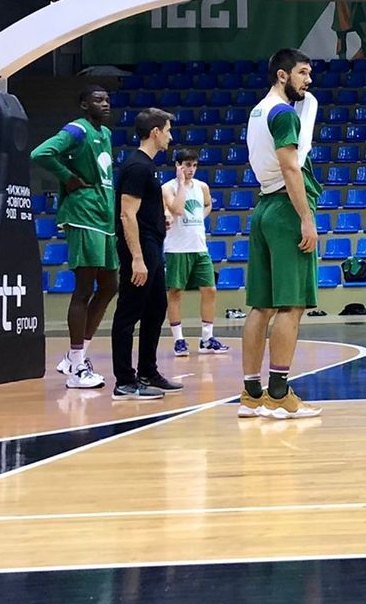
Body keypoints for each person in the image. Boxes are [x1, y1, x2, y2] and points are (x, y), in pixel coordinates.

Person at [240, 49, 323, 420]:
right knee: (292, 304)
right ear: (282, 75)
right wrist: (306, 218)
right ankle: (278, 393)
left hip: (262, 208)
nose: (308, 80)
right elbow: (291, 168)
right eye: (303, 72)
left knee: (262, 306)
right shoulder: (284, 113)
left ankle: (251, 393)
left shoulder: (258, 111)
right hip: (285, 209)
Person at [31, 84, 118, 390]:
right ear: (84, 105)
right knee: (84, 288)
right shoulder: (76, 130)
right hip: (83, 216)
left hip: (103, 217)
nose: (104, 103)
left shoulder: (105, 135)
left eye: (106, 99)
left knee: (110, 285)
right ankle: (77, 367)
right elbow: (41, 153)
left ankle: (73, 356)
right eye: (98, 99)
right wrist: (67, 177)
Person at [112, 107, 182, 400]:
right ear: (155, 132)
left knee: (156, 310)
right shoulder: (138, 166)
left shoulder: (147, 166)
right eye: (167, 130)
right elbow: (127, 215)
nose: (170, 135)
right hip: (139, 249)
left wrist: (159, 218)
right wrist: (137, 258)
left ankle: (147, 371)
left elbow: (140, 212)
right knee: (130, 312)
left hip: (152, 243)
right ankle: (124, 381)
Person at [162, 148, 229, 357]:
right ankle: (179, 340)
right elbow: (178, 209)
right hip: (177, 248)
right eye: (187, 165)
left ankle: (207, 338)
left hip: (199, 246)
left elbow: (208, 205)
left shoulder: (202, 187)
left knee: (210, 290)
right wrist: (182, 183)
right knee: (175, 292)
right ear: (178, 165)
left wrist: (202, 215)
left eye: (194, 165)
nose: (191, 169)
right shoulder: (167, 188)